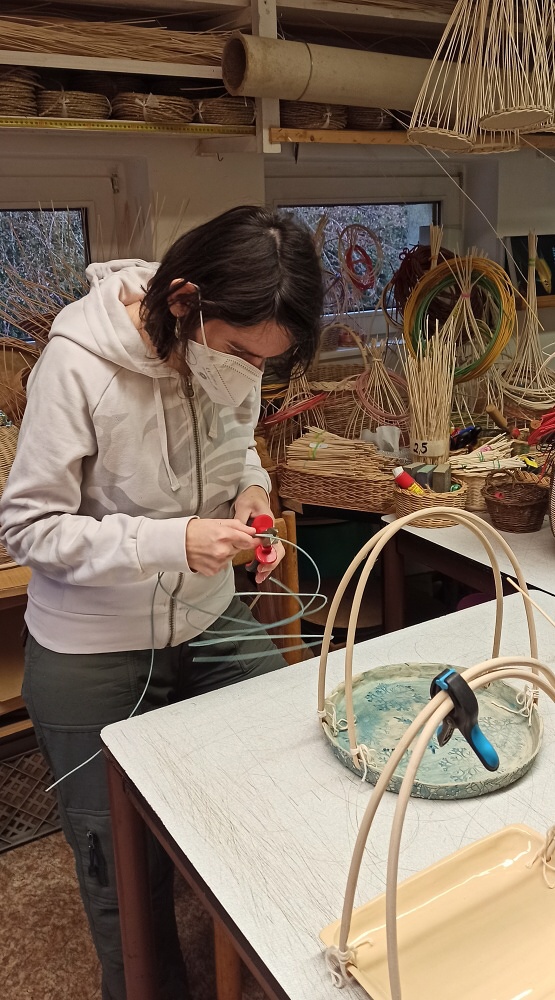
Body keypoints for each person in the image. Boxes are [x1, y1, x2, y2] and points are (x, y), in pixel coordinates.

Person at [0, 204, 323, 1000]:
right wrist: (168, 541)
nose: (249, 371)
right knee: (122, 868)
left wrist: (253, 494)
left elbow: (238, 444)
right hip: (92, 645)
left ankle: (280, 965)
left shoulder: (231, 352)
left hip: (208, 617)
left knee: (292, 764)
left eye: (267, 360)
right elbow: (27, 529)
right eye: (240, 351)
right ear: (182, 301)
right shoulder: (76, 367)